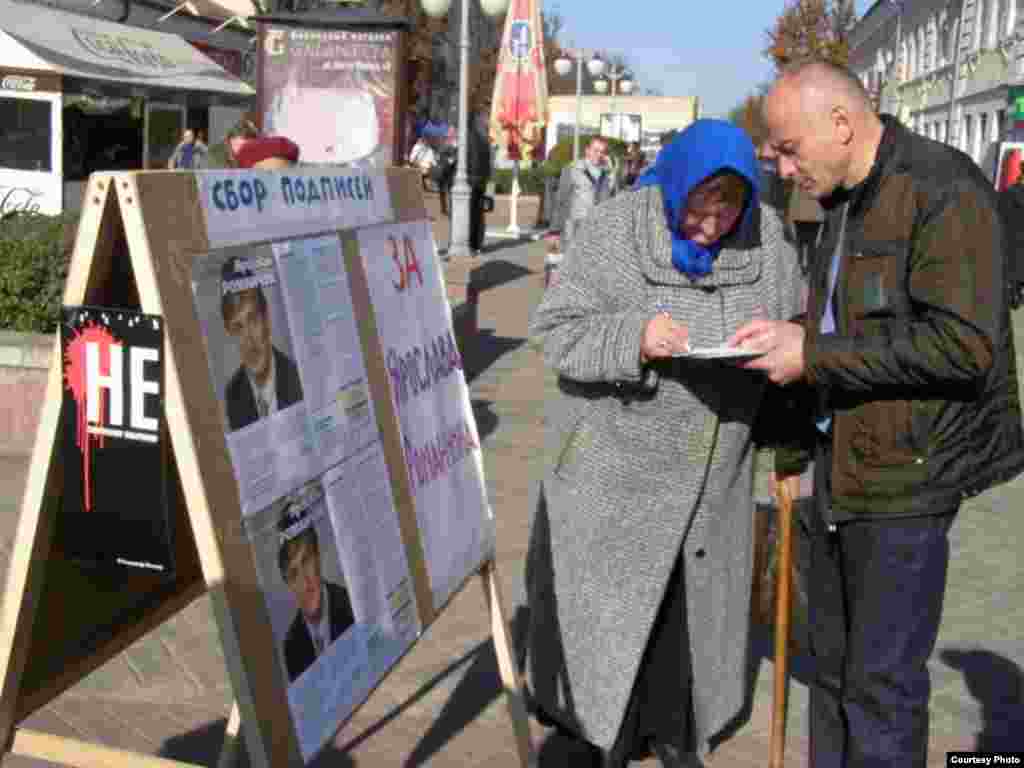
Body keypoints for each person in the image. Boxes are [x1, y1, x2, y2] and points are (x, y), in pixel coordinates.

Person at [730, 59, 1024, 768]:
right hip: (840, 464)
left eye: (789, 148)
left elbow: (964, 344)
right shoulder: (840, 198)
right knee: (828, 671)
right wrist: (791, 426)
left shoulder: (944, 189)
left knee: (881, 686)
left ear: (840, 123)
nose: (781, 165)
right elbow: (835, 319)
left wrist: (814, 353)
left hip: (906, 481)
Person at [524, 119, 804, 767]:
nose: (710, 225)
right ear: (676, 187)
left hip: (713, 478)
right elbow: (556, 332)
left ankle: (678, 729)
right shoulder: (617, 229)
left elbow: (797, 327)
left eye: (727, 209)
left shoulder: (771, 243)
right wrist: (634, 338)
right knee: (614, 620)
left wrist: (779, 342)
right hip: (613, 470)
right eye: (699, 208)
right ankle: (606, 731)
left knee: (687, 617)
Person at [277, 494, 355, 682]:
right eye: (294, 573)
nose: (304, 580)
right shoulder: (292, 646)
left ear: (318, 558)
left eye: (306, 561)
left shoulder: (352, 608)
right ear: (288, 583)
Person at [220, 259, 304, 431]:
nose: (248, 338)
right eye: (238, 327)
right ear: (230, 333)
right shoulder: (233, 394)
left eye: (253, 319)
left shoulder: (298, 378)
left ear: (266, 319)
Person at [546, 135, 617, 256]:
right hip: (573, 228)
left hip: (597, 230)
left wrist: (612, 174)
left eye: (602, 152)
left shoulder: (606, 173)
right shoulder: (572, 169)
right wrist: (554, 232)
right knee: (569, 266)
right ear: (587, 150)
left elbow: (612, 202)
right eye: (596, 150)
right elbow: (560, 201)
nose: (599, 154)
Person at [465, 111, 494, 254]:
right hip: (482, 181)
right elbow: (489, 163)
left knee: (470, 214)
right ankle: (477, 244)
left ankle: (471, 244)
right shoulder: (484, 138)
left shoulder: (471, 136)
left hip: (472, 180)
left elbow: (472, 159)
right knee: (479, 213)